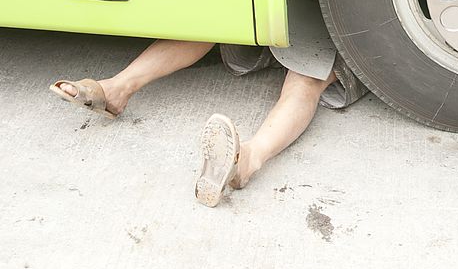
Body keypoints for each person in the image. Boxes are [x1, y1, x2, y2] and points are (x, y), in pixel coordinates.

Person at [49, 40, 365, 207]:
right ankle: (116, 89)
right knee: (209, 25)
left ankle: (248, 160)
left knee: (305, 82)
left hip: (331, 19)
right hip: (282, 1)